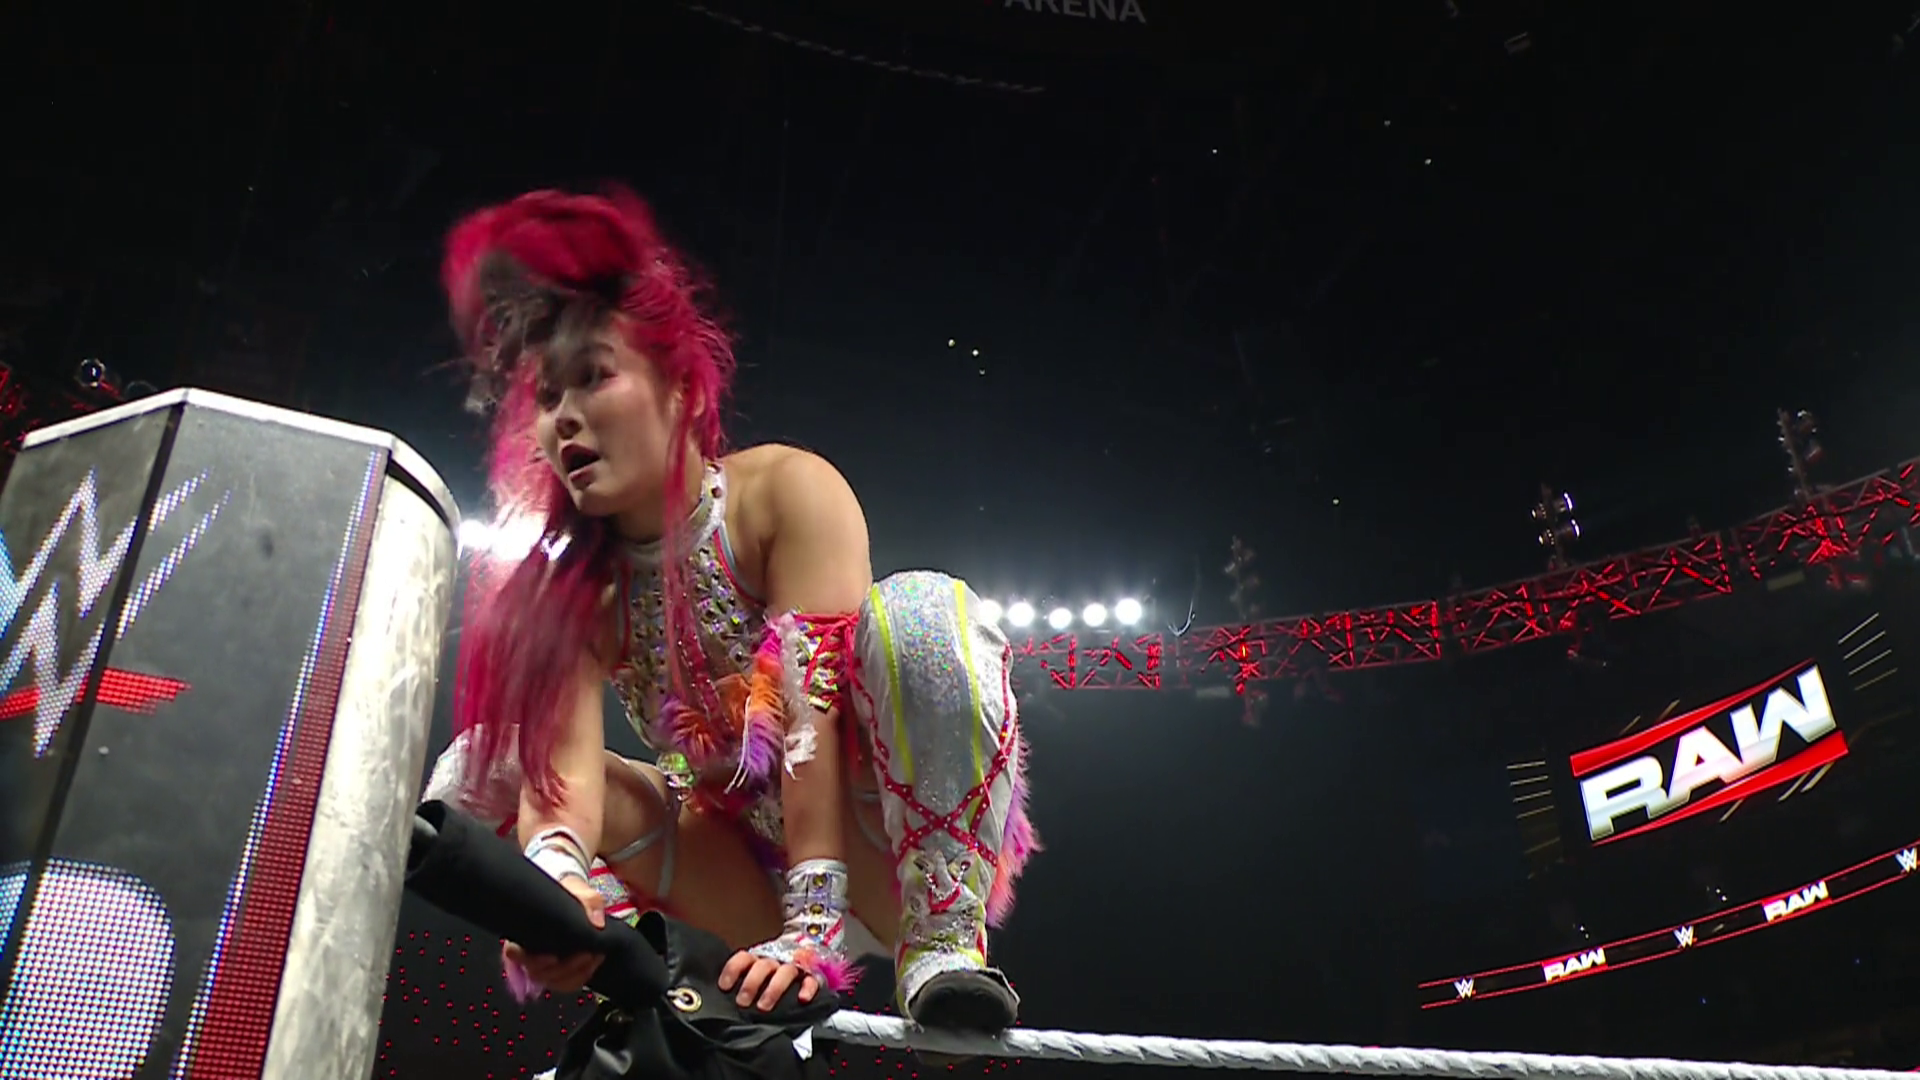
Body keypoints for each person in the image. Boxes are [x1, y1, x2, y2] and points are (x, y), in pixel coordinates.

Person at [421, 188, 1038, 1034]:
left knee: (924, 614)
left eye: (593, 377)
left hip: (876, 843)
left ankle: (943, 948)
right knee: (474, 771)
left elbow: (809, 715)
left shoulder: (785, 492)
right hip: (735, 880)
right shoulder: (576, 591)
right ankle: (641, 969)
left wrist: (812, 930)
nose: (564, 418)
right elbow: (562, 788)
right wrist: (553, 892)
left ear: (680, 389)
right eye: (548, 398)